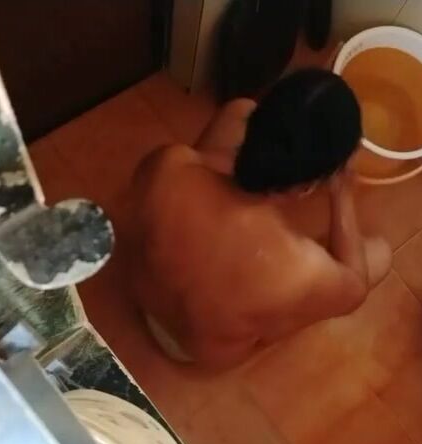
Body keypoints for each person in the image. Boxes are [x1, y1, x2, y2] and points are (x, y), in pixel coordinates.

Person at [127, 68, 391, 370]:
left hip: (147, 300)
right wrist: (342, 193)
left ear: (255, 125)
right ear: (306, 187)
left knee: (237, 108)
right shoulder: (301, 267)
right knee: (381, 256)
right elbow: (355, 290)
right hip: (192, 350)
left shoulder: (171, 164)